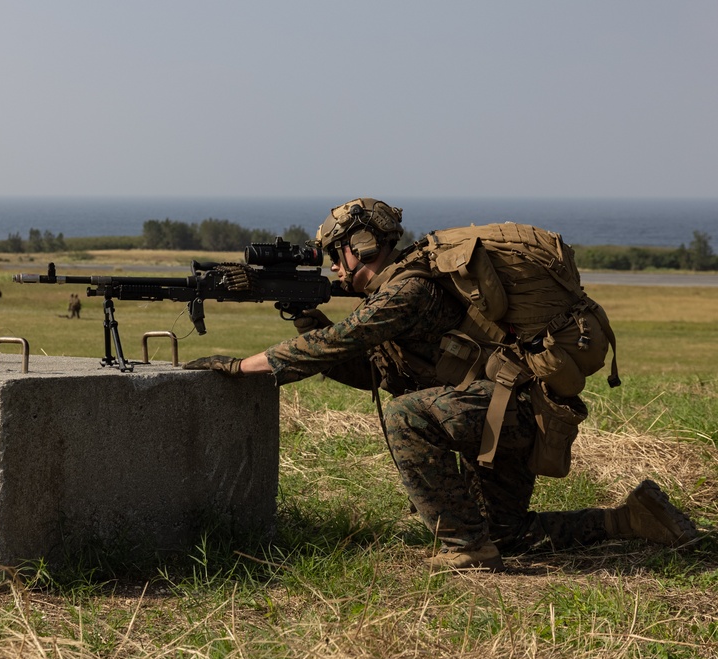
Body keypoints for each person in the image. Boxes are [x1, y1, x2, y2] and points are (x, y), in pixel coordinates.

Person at [184, 198, 697, 571]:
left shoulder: (406, 290)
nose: (335, 268)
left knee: (407, 414)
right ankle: (630, 520)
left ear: (360, 248)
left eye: (336, 255)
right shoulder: (403, 289)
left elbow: (336, 345)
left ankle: (463, 545)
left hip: (503, 413)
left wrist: (245, 366)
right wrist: (304, 317)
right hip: (505, 413)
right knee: (509, 536)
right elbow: (368, 372)